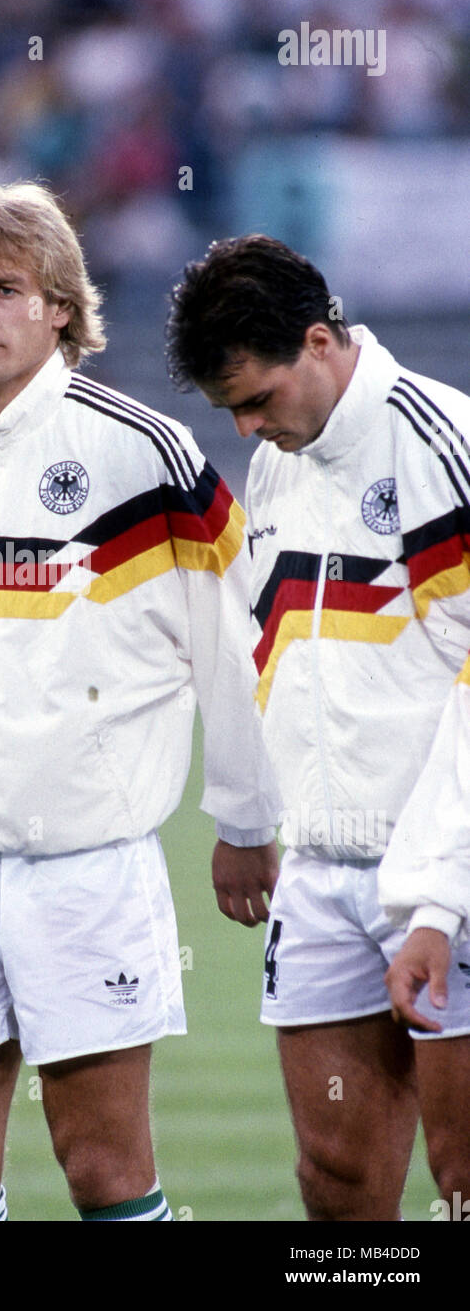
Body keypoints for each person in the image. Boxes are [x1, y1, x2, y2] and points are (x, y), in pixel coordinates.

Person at [0, 182, 279, 1223]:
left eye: (5, 287)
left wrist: (246, 819)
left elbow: (231, 646)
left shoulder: (143, 456)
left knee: (102, 1167)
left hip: (83, 872)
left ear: (59, 306)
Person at [166, 233, 470, 1222]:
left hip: (443, 877)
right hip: (321, 871)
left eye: (256, 399)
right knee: (333, 1185)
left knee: (461, 1178)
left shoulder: (437, 447)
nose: (249, 428)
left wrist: (436, 900)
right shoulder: (283, 467)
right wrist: (247, 819)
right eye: (230, 412)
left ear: (317, 339)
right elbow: (268, 653)